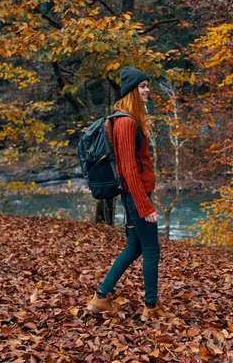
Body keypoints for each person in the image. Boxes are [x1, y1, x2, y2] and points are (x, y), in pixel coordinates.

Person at [87, 67, 162, 320]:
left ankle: (100, 297)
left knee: (133, 248)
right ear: (131, 89)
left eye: (147, 85)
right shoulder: (127, 122)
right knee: (152, 251)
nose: (147, 90)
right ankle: (151, 308)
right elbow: (129, 169)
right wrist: (145, 206)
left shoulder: (125, 119)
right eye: (142, 86)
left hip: (133, 196)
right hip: (136, 196)